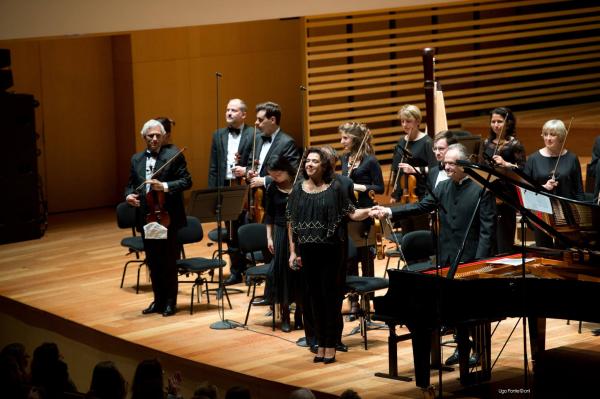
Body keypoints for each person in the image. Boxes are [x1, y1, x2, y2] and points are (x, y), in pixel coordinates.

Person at [287, 147, 371, 364]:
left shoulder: (335, 189)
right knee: (314, 300)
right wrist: (293, 251)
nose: (309, 164)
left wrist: (371, 210)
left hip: (331, 251)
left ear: (324, 166)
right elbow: (291, 221)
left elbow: (352, 213)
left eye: (314, 161)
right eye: (307, 161)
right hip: (307, 251)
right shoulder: (298, 189)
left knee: (330, 299)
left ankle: (330, 344)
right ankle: (319, 344)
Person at [371, 143, 495, 269]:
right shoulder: (442, 187)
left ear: (464, 163)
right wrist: (388, 211)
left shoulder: (482, 189)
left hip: (471, 257)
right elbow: (420, 206)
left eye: (451, 163)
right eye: (445, 163)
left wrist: (480, 261)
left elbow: (487, 231)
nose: (446, 167)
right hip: (445, 257)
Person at [125, 119, 192, 316]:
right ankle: (158, 300)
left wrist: (164, 186)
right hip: (147, 217)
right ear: (144, 137)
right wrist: (128, 195)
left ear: (163, 136)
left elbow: (187, 181)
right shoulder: (136, 159)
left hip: (167, 215)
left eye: (158, 135)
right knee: (153, 261)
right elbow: (130, 184)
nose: (154, 139)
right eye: (150, 136)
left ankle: (171, 302)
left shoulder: (174, 155)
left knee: (169, 260)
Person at [207, 99, 255, 285]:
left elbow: (256, 160)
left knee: (246, 226)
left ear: (243, 114)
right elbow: (213, 166)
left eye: (233, 110)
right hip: (225, 186)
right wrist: (213, 194)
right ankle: (236, 270)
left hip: (245, 186)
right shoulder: (218, 135)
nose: (228, 113)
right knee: (231, 231)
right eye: (227, 109)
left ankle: (251, 270)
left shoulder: (253, 133)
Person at [339, 121, 383, 318]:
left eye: (345, 138)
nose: (342, 141)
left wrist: (360, 187)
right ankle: (354, 301)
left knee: (366, 259)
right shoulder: (345, 158)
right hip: (349, 212)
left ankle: (368, 301)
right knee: (349, 259)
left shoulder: (370, 161)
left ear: (355, 139)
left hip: (365, 212)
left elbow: (379, 187)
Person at [523, 119, 584, 247]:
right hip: (541, 215)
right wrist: (543, 187)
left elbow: (578, 190)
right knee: (545, 255)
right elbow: (525, 189)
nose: (548, 138)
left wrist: (581, 219)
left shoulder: (572, 158)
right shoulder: (533, 159)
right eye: (545, 134)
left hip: (566, 216)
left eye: (552, 134)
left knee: (566, 255)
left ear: (561, 136)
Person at [480, 107, 527, 254]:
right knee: (489, 235)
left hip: (507, 195)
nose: (496, 125)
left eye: (499, 121)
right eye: (493, 121)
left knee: (504, 236)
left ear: (508, 123)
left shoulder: (515, 145)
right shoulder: (486, 143)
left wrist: (505, 164)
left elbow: (523, 170)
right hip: (489, 192)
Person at [264, 155, 300, 332]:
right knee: (283, 273)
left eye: (277, 175)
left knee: (301, 272)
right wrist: (269, 237)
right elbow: (269, 215)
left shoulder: (300, 184)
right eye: (272, 175)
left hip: (300, 231)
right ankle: (285, 314)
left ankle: (301, 314)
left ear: (286, 170)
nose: (274, 178)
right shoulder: (271, 188)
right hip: (279, 231)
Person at [390, 104, 437, 231]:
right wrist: (396, 194)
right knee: (406, 230)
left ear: (417, 121)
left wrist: (415, 169)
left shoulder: (427, 142)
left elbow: (435, 169)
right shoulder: (401, 142)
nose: (405, 125)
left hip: (422, 194)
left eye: (408, 121)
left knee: (421, 230)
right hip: (406, 195)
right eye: (402, 121)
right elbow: (398, 171)